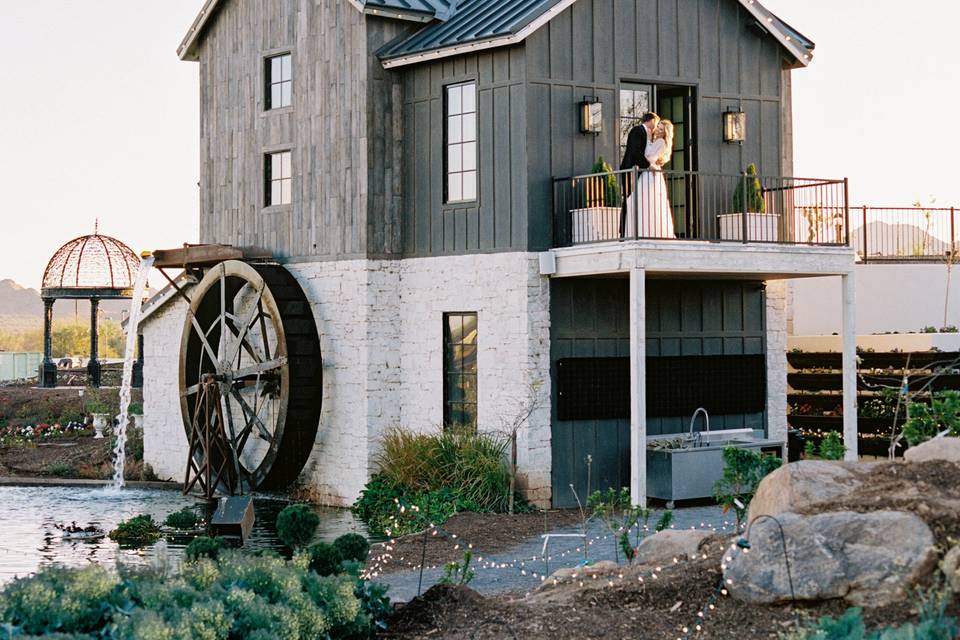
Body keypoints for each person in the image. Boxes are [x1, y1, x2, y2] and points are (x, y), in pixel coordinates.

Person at [619, 112, 659, 237]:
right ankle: (624, 231)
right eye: (656, 122)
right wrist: (648, 165)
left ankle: (636, 229)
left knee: (637, 200)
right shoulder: (637, 131)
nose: (656, 126)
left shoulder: (648, 134)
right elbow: (635, 151)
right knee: (629, 199)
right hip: (631, 170)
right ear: (652, 120)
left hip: (639, 172)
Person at [636, 119, 676, 238]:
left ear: (665, 133)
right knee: (646, 202)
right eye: (658, 127)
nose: (657, 130)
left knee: (649, 202)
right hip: (649, 173)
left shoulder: (660, 142)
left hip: (650, 175)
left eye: (661, 129)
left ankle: (650, 232)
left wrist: (647, 138)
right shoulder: (656, 141)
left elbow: (649, 156)